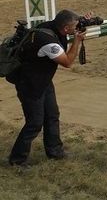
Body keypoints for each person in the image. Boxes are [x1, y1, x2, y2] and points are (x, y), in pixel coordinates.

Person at [8, 10, 86, 166]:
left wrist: (83, 21)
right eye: (74, 26)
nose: (76, 28)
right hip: (30, 85)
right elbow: (67, 62)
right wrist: (77, 41)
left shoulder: (52, 26)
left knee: (52, 115)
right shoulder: (48, 42)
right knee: (35, 122)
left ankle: (55, 152)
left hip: (42, 81)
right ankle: (17, 160)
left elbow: (70, 23)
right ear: (65, 28)